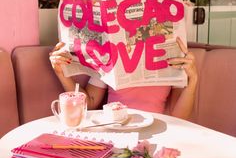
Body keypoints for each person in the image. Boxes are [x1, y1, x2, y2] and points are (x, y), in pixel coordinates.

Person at [49, 37, 198, 120]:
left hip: (154, 130)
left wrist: (193, 80)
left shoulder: (171, 56)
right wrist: (61, 72)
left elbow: (180, 115)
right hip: (114, 127)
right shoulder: (110, 54)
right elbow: (90, 102)